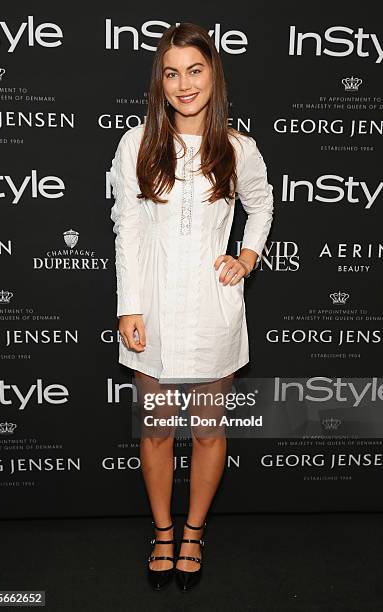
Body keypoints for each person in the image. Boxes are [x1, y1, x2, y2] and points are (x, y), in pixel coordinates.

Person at [109, 22, 274, 592]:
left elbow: (262, 203)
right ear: (161, 81)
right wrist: (129, 306)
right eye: (172, 72)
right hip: (150, 306)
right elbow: (126, 229)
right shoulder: (136, 143)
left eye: (195, 70)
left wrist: (247, 256)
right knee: (155, 430)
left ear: (213, 75)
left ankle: (194, 531)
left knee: (207, 430)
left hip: (212, 306)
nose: (184, 84)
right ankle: (162, 531)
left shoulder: (238, 148)